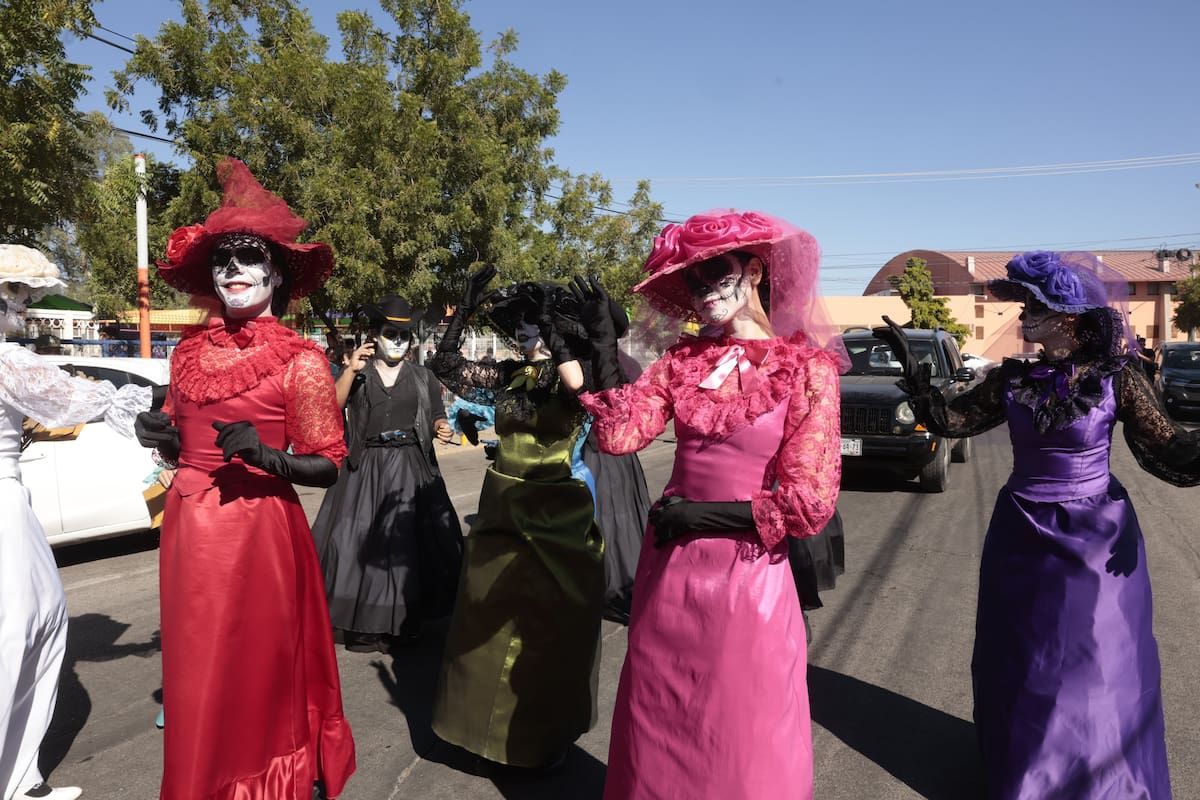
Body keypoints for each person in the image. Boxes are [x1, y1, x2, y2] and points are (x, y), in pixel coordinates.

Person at [873, 250, 1200, 799]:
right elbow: (954, 419)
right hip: (1021, 533)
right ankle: (1030, 777)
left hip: (1098, 537)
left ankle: (1105, 784)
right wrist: (918, 376)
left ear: (1068, 316)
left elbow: (1170, 448)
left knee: (1098, 663)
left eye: (1033, 306)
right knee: (1028, 660)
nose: (1022, 315)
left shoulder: (1117, 378)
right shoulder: (1013, 380)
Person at [576, 211, 843, 799]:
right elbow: (620, 437)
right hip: (670, 573)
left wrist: (702, 516)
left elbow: (809, 503)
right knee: (660, 719)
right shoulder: (682, 360)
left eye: (713, 274)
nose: (702, 291)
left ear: (752, 271)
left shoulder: (806, 369)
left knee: (738, 730)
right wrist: (600, 347)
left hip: (747, 583)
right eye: (691, 281)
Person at [133, 158, 355, 799]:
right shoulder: (187, 353)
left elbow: (328, 465)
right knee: (196, 668)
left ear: (276, 274)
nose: (232, 268)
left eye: (249, 256)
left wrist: (269, 458)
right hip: (189, 527)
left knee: (255, 666)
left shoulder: (302, 359)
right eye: (222, 258)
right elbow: (177, 428)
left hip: (259, 531)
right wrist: (160, 434)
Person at [428, 268, 609, 769]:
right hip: (502, 511)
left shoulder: (578, 377)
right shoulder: (507, 375)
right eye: (520, 321)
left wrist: (562, 339)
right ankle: (484, 736)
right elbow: (445, 364)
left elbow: (591, 392)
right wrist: (462, 311)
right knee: (483, 628)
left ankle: (538, 740)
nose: (525, 329)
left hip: (559, 514)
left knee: (548, 631)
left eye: (536, 320)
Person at [1, 245, 152, 800]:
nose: (24, 309)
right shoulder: (7, 360)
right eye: (16, 297)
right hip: (3, 509)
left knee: (34, 626)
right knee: (23, 632)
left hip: (11, 500)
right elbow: (82, 399)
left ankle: (18, 779)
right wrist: (153, 404)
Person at [309, 294, 462, 653]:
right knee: (357, 543)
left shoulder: (423, 376)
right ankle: (364, 626)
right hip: (365, 469)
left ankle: (403, 623)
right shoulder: (359, 375)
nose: (397, 342)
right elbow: (332, 408)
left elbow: (437, 413)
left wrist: (442, 426)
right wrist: (349, 369)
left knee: (406, 546)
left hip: (410, 467)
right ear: (374, 336)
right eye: (389, 334)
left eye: (403, 336)